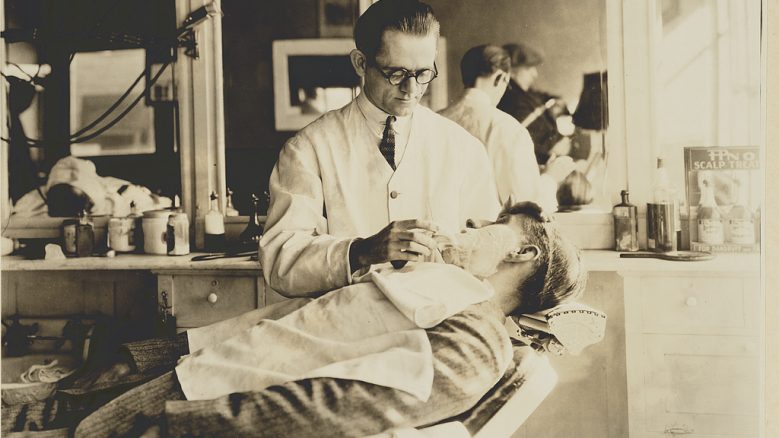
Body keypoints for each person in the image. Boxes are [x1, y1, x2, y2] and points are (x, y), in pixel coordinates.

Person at [71, 202, 586, 437]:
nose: (474, 222)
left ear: (523, 252)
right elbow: (290, 327)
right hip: (188, 371)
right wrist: (151, 358)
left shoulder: (477, 339)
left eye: (495, 224)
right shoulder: (441, 290)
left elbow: (338, 408)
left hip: (199, 404)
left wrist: (181, 425)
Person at [260, 0, 501, 298]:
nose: (411, 90)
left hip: (439, 328)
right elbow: (281, 261)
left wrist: (463, 251)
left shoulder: (463, 148)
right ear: (361, 63)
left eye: (423, 73)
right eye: (396, 74)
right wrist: (360, 251)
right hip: (350, 330)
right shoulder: (309, 149)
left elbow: (490, 248)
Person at [439, 44, 575, 212]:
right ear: (500, 78)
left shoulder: (435, 120)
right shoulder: (507, 128)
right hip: (486, 234)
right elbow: (527, 210)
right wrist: (550, 177)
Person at [497, 43, 571, 165]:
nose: (534, 74)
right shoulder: (512, 100)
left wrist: (556, 102)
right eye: (528, 68)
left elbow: (540, 96)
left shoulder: (523, 92)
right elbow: (529, 143)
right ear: (512, 71)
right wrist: (555, 145)